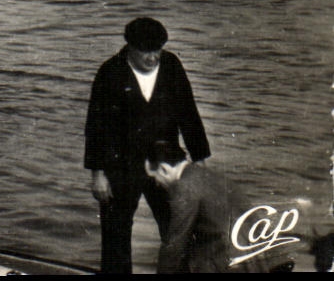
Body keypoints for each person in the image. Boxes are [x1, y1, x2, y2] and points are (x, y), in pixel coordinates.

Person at [85, 16, 210, 275]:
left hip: (166, 162)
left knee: (179, 230)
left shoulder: (172, 66)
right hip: (120, 166)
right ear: (130, 47)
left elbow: (189, 113)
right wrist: (98, 174)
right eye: (146, 52)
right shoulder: (110, 72)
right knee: (116, 237)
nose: (153, 57)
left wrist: (199, 161)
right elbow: (96, 126)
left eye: (158, 50)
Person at [143, 142, 285, 274]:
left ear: (163, 168)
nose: (157, 184)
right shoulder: (211, 176)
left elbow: (174, 245)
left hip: (235, 264)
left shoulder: (184, 186)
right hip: (267, 258)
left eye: (154, 177)